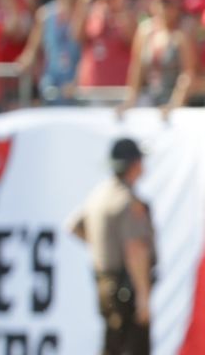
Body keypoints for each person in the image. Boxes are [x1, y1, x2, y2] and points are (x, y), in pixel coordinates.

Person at [67, 138, 155, 355]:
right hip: (125, 286)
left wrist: (103, 244)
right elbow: (135, 250)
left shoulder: (99, 194)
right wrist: (143, 299)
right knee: (133, 346)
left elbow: (74, 226)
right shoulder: (126, 200)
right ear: (133, 165)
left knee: (113, 344)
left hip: (104, 283)